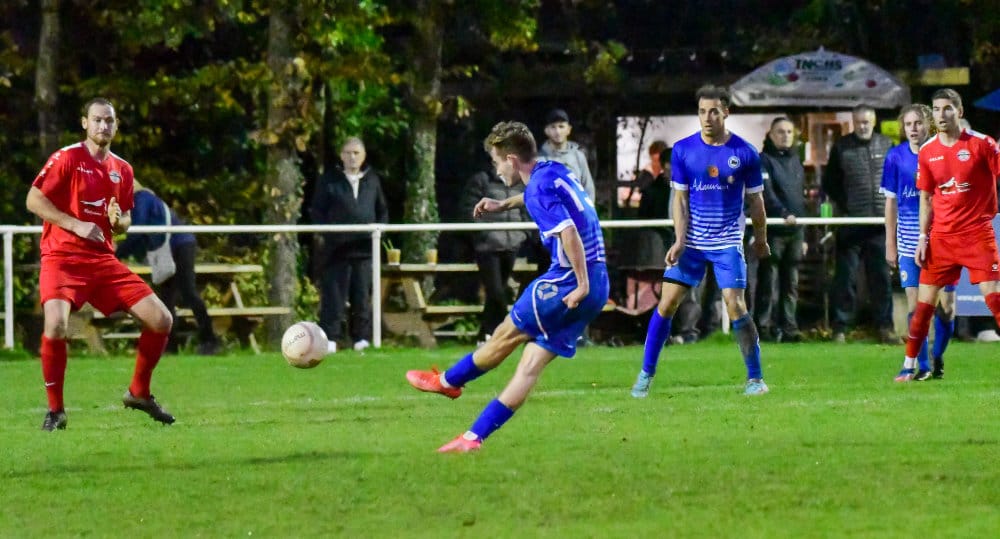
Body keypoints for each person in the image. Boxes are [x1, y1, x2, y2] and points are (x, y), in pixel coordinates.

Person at [405, 121, 609, 452]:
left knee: (503, 336)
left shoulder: (539, 188)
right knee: (529, 366)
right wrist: (503, 205)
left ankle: (446, 382)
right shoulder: (552, 170)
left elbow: (568, 231)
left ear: (512, 159)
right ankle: (473, 438)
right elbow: (537, 195)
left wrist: (580, 284)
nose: (497, 170)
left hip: (568, 280)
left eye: (497, 161)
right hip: (599, 284)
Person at [26, 97, 175, 431]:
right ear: (85, 123)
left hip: (102, 261)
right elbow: (33, 199)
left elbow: (125, 221)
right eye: (97, 120)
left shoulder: (123, 169)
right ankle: (56, 411)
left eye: (109, 120)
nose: (103, 126)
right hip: (62, 258)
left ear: (116, 125)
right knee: (56, 325)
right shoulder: (67, 158)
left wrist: (119, 222)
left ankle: (139, 393)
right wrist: (75, 224)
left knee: (161, 319)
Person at [630, 85, 771, 398]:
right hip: (692, 244)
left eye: (714, 111)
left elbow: (756, 201)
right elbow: (679, 200)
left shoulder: (745, 152)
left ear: (726, 112)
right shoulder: (683, 151)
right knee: (667, 303)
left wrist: (761, 239)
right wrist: (679, 239)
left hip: (727, 242)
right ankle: (645, 374)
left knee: (735, 305)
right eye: (702, 111)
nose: (707, 117)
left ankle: (755, 378)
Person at [902, 89, 1000, 379]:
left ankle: (931, 360)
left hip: (977, 234)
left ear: (959, 112)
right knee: (923, 307)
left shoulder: (982, 144)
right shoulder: (928, 151)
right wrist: (922, 238)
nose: (941, 114)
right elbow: (926, 198)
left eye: (947, 108)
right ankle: (908, 366)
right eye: (936, 109)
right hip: (941, 239)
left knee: (994, 299)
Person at [883, 104, 957, 381]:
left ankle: (937, 355)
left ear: (929, 125)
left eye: (918, 123)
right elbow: (891, 203)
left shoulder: (943, 154)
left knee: (946, 308)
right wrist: (890, 243)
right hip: (908, 241)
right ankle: (921, 365)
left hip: (941, 241)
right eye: (908, 124)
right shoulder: (895, 157)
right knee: (916, 308)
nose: (913, 129)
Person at [115, 181, 221, 355]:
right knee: (166, 299)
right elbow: (138, 237)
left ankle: (210, 340)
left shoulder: (142, 198)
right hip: (169, 248)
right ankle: (170, 345)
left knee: (188, 293)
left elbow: (137, 230)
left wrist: (117, 253)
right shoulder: (140, 202)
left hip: (180, 245)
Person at [822, 104, 896, 343]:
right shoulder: (841, 147)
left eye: (866, 122)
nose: (862, 126)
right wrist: (846, 206)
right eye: (858, 122)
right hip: (851, 222)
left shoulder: (887, 145)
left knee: (881, 278)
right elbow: (830, 182)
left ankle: (885, 328)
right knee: (846, 278)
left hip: (879, 223)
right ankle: (840, 328)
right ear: (853, 123)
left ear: (873, 122)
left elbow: (896, 179)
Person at [309, 137, 388, 353]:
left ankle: (361, 338)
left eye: (356, 153)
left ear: (363, 156)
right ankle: (330, 338)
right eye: (348, 153)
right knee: (334, 296)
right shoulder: (329, 180)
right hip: (337, 248)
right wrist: (327, 233)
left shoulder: (372, 180)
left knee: (361, 295)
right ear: (341, 156)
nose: (352, 157)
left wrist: (378, 231)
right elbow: (317, 210)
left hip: (364, 249)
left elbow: (382, 210)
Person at [459, 165, 530, 342]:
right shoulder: (481, 180)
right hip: (487, 247)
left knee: (496, 294)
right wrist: (483, 234)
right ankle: (504, 332)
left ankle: (484, 334)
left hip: (511, 245)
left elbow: (526, 209)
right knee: (496, 292)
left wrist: (523, 233)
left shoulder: (521, 182)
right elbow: (469, 209)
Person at [754, 117, 806, 342]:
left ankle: (789, 328)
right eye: (781, 132)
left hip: (795, 230)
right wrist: (783, 213)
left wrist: (803, 230)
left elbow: (800, 197)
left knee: (791, 283)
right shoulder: (763, 160)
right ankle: (763, 327)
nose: (785, 136)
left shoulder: (796, 160)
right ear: (771, 135)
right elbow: (766, 193)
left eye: (789, 132)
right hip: (773, 230)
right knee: (769, 281)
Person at [538, 108, 596, 201]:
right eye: (553, 127)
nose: (557, 131)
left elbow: (588, 189)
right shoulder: (539, 160)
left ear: (569, 129)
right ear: (546, 131)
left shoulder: (578, 156)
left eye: (561, 126)